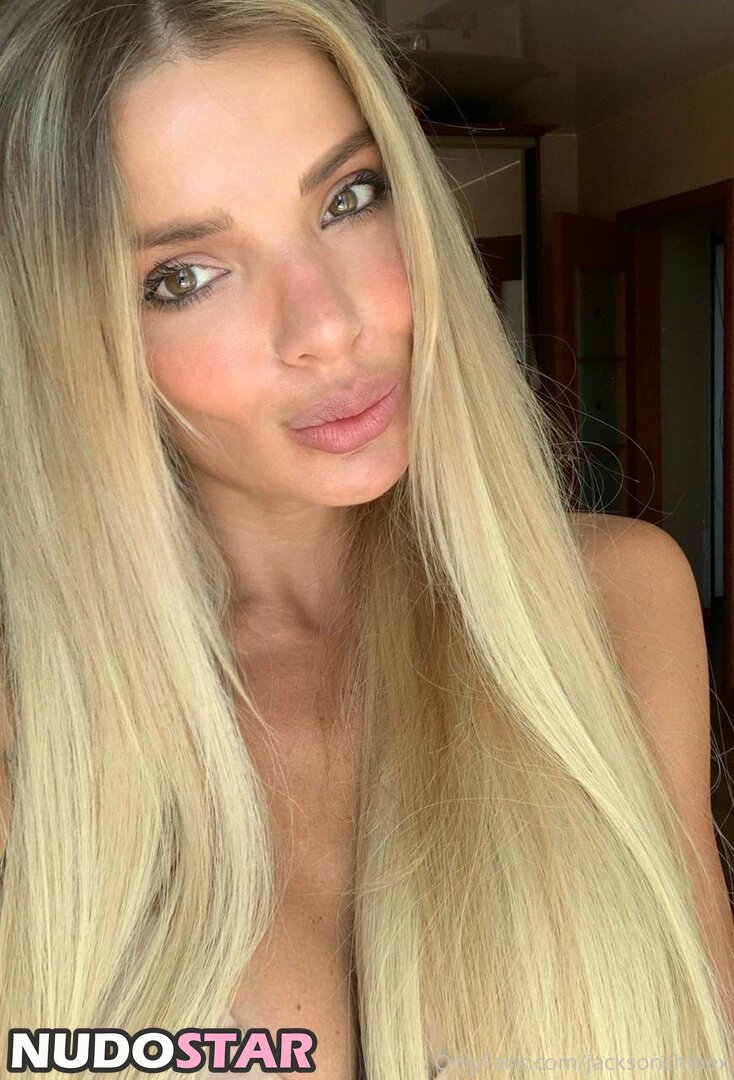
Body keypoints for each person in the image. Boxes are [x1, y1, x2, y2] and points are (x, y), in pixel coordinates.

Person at [0, 1, 732, 1077]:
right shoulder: (32, 739)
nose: (328, 325)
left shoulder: (617, 604)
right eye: (184, 276)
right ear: (72, 341)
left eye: (347, 198)